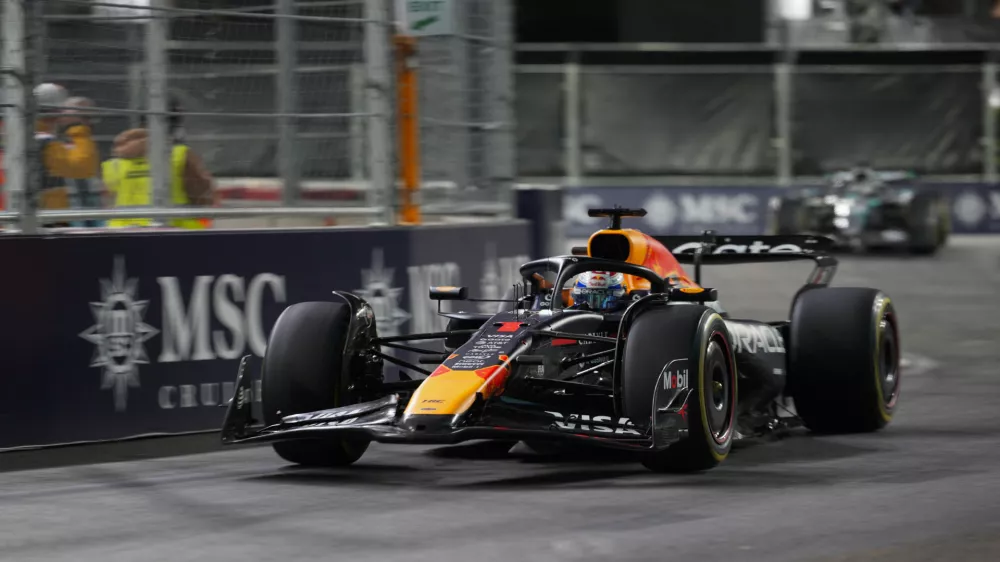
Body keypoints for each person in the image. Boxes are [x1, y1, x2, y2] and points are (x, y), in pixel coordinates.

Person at [101, 98, 215, 229]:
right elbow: (202, 197)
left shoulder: (115, 162)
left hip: (123, 233)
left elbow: (109, 199)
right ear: (175, 124)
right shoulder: (180, 155)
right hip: (175, 231)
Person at [34, 83, 100, 227]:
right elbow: (83, 167)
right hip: (45, 219)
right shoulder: (42, 141)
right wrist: (77, 126)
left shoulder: (36, 138)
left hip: (40, 215)